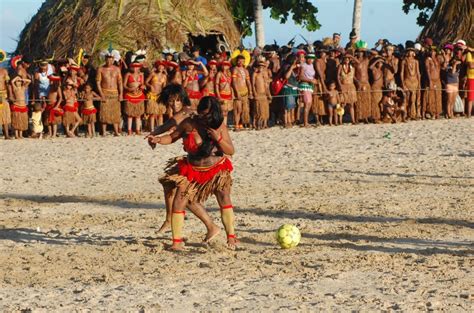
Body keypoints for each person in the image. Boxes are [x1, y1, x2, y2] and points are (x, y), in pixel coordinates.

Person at [148, 96, 236, 251]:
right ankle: (176, 242)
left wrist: (219, 138)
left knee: (224, 198)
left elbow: (230, 151)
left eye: (208, 114)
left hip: (216, 170)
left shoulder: (219, 126)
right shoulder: (189, 123)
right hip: (191, 170)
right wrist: (158, 139)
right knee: (179, 201)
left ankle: (231, 238)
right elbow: (172, 137)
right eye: (203, 114)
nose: (205, 118)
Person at [147, 84, 218, 240]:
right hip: (194, 160)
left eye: (177, 101)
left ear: (182, 99)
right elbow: (172, 135)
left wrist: (153, 134)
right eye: (171, 102)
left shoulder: (185, 112)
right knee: (168, 184)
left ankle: (211, 226)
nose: (174, 104)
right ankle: (169, 219)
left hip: (201, 164)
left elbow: (168, 126)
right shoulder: (185, 113)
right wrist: (157, 138)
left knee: (185, 197)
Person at [97, 53, 123, 136]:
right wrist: (101, 94)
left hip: (115, 93)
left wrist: (121, 94)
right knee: (104, 113)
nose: (109, 60)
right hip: (105, 92)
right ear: (105, 59)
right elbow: (98, 82)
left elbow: (120, 82)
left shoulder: (117, 69)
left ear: (113, 59)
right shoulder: (100, 69)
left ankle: (116, 131)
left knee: (115, 113)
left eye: (111, 58)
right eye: (108, 58)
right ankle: (104, 132)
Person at [123, 61, 146, 135]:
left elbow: (142, 84)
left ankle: (137, 129)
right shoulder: (128, 74)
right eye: (134, 67)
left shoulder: (141, 75)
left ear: (139, 67)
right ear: (131, 67)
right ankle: (129, 130)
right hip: (130, 95)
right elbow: (124, 85)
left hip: (139, 95)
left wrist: (142, 86)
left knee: (138, 114)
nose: (135, 68)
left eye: (137, 67)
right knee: (130, 114)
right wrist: (129, 89)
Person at [232, 55, 253, 130]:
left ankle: (241, 124)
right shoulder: (235, 69)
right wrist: (237, 92)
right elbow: (234, 82)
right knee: (238, 109)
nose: (241, 62)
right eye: (239, 61)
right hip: (238, 92)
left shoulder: (246, 70)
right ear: (237, 61)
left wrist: (250, 92)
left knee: (244, 109)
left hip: (245, 92)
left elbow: (248, 82)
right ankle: (236, 125)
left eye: (242, 61)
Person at [145, 60, 168, 130]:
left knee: (160, 113)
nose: (161, 67)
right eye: (159, 66)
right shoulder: (153, 74)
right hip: (152, 94)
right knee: (152, 113)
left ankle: (160, 128)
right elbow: (146, 82)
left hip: (160, 95)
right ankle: (151, 128)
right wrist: (150, 86)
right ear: (157, 67)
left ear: (164, 68)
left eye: (162, 66)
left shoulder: (164, 76)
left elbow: (164, 86)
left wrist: (164, 93)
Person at [400, 48, 421, 119]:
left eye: (412, 51)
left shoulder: (416, 61)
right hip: (407, 81)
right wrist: (403, 84)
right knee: (407, 98)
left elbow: (418, 73)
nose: (410, 53)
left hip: (415, 81)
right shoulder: (404, 61)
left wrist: (419, 83)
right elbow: (401, 73)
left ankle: (414, 114)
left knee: (414, 99)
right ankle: (406, 114)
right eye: (409, 51)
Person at [338, 53, 358, 124]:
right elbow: (337, 76)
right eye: (345, 58)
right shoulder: (340, 66)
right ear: (343, 59)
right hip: (343, 86)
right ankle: (340, 120)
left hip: (351, 86)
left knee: (351, 104)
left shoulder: (352, 67)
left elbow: (354, 77)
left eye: (348, 59)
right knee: (342, 104)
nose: (346, 60)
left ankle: (353, 120)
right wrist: (340, 85)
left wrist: (358, 82)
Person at [354, 46, 372, 123]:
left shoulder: (366, 60)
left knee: (366, 101)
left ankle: (366, 117)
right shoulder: (354, 62)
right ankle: (358, 116)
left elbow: (375, 53)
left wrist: (366, 49)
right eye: (359, 51)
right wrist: (357, 82)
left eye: (361, 52)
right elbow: (353, 75)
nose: (360, 53)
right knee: (359, 101)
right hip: (359, 82)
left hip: (366, 82)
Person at [298, 53, 317, 127]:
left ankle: (306, 121)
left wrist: (313, 80)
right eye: (309, 58)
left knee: (309, 104)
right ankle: (305, 123)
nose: (310, 60)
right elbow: (300, 77)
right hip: (304, 85)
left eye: (312, 59)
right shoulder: (304, 65)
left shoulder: (312, 65)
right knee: (307, 103)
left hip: (310, 86)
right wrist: (310, 80)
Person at [252, 61, 272, 129]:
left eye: (262, 67)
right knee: (258, 110)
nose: (261, 68)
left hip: (264, 94)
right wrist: (254, 93)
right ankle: (256, 124)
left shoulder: (264, 75)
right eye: (259, 66)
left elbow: (266, 86)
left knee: (265, 110)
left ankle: (264, 124)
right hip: (258, 94)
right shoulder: (255, 74)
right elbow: (253, 85)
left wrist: (268, 94)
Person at [424, 46, 442, 119]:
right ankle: (432, 112)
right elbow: (427, 70)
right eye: (431, 51)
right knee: (431, 97)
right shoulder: (427, 60)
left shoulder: (437, 59)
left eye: (434, 51)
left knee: (438, 96)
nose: (432, 52)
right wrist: (430, 81)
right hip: (431, 79)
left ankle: (438, 112)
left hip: (438, 80)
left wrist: (442, 54)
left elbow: (444, 64)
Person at [281, 54, 298, 128]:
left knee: (292, 107)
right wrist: (291, 68)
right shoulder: (286, 66)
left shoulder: (294, 67)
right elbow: (286, 76)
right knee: (287, 107)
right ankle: (286, 122)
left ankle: (290, 121)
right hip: (288, 89)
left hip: (293, 89)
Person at [215, 60, 233, 126]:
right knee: (222, 112)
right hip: (222, 94)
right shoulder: (219, 74)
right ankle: (221, 126)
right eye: (224, 65)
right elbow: (216, 85)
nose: (225, 66)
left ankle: (225, 126)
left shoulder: (229, 73)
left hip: (228, 94)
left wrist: (232, 95)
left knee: (226, 112)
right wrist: (218, 96)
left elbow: (231, 85)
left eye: (227, 65)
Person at [369, 57, 384, 123]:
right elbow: (370, 67)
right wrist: (377, 60)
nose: (379, 64)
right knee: (375, 103)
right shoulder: (374, 69)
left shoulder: (381, 71)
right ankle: (375, 117)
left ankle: (378, 116)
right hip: (375, 87)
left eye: (381, 63)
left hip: (380, 88)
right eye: (378, 63)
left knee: (379, 103)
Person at [0, 66, 11, 139]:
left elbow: (7, 84)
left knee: (4, 113)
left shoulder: (4, 71)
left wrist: (10, 95)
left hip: (2, 95)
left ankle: (6, 134)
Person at [466, 47, 474, 118]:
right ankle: (468, 114)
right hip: (471, 77)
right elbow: (471, 66)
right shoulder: (469, 54)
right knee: (470, 97)